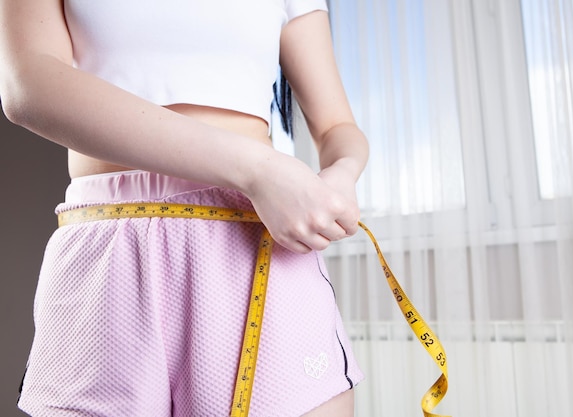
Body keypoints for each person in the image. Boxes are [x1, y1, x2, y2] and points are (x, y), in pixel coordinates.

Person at [0, 0, 369, 416]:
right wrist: (256, 169)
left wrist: (341, 174)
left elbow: (338, 127)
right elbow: (26, 83)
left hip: (254, 243)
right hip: (108, 251)